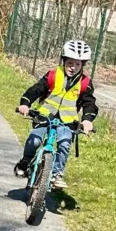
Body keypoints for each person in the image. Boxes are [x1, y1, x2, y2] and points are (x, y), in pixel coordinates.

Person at [13, 40, 97, 189]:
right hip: (45, 116)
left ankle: (56, 174)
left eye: (77, 64)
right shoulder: (53, 75)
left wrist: (87, 121)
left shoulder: (85, 83)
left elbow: (89, 103)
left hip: (67, 121)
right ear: (64, 60)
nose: (73, 67)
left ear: (82, 65)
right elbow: (36, 89)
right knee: (35, 140)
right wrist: (25, 104)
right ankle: (25, 162)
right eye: (70, 63)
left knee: (64, 143)